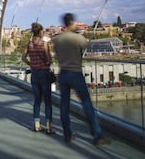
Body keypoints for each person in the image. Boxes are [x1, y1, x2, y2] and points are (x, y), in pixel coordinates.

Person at [53, 13, 110, 145]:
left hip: (62, 74)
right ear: (72, 22)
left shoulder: (57, 39)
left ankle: (67, 134)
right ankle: (97, 135)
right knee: (87, 104)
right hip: (75, 73)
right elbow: (86, 49)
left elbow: (57, 55)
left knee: (64, 105)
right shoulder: (79, 38)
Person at [22, 22, 55, 134]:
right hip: (44, 74)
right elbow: (50, 60)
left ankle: (36, 125)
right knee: (47, 101)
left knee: (37, 100)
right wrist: (46, 64)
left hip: (34, 74)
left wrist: (30, 64)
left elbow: (23, 57)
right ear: (40, 32)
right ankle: (48, 127)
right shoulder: (44, 44)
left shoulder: (29, 44)